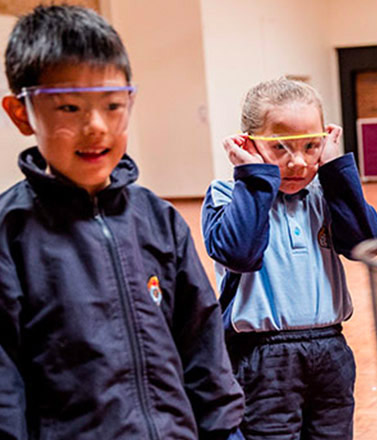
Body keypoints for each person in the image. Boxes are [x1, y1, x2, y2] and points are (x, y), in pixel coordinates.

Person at [0, 5, 244, 439]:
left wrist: (224, 431)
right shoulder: (11, 233)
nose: (96, 127)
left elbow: (202, 343)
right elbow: (6, 387)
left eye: (113, 106)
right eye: (70, 108)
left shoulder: (159, 220)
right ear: (22, 114)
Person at [202, 78, 377, 439]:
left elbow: (367, 242)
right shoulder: (226, 195)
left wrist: (336, 173)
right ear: (248, 143)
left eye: (311, 146)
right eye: (280, 147)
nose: (298, 161)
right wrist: (256, 178)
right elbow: (240, 253)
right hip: (263, 358)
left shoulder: (325, 194)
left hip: (331, 350)